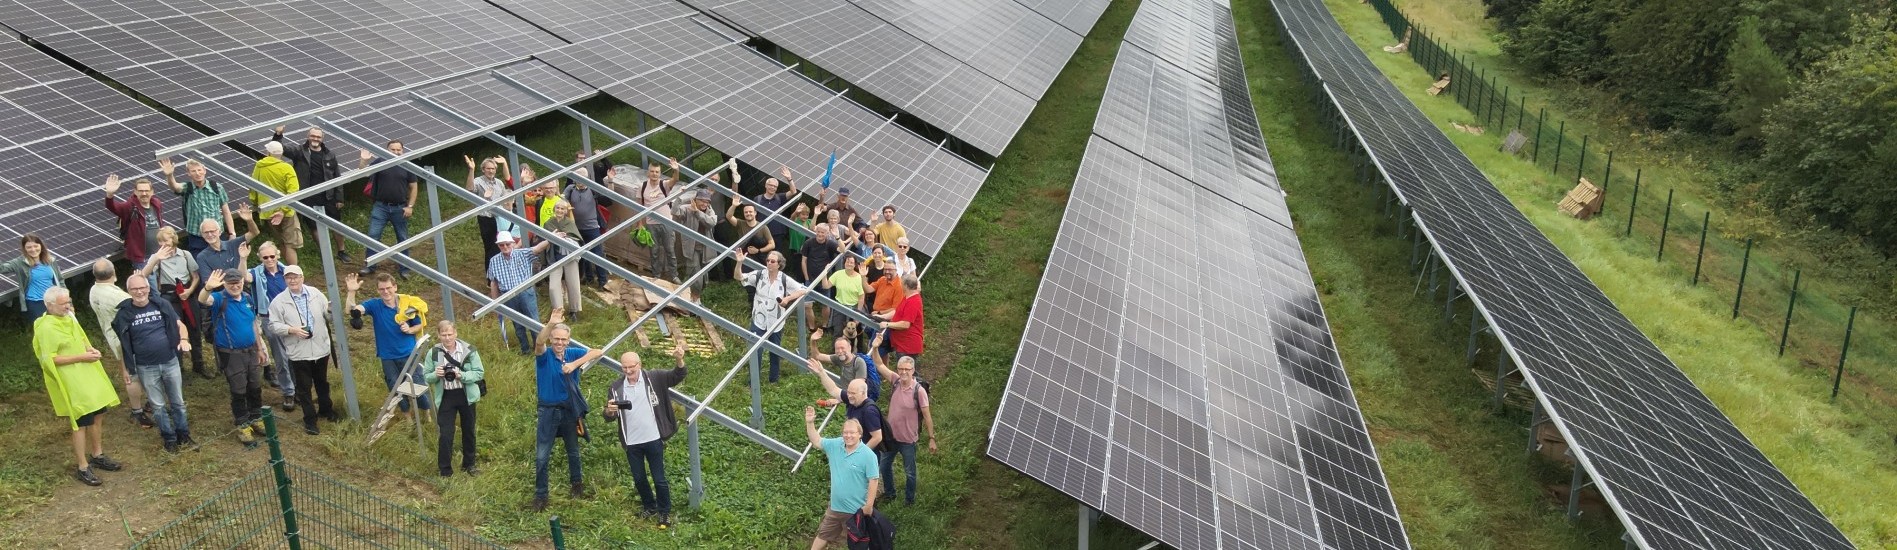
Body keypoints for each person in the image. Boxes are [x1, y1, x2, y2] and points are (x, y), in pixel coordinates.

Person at [34, 287, 123, 486]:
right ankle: (82, 466)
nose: (68, 306)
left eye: (69, 301)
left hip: (88, 375)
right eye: (63, 304)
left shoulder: (70, 318)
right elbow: (50, 359)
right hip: (72, 380)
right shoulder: (46, 328)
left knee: (98, 414)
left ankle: (97, 454)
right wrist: (82, 357)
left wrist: (91, 350)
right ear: (50, 306)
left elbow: (82, 339)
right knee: (81, 422)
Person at [604, 345, 689, 529]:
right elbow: (609, 416)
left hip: (653, 438)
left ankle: (664, 512)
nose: (628, 371)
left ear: (639, 364)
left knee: (659, 478)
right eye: (624, 368)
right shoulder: (616, 387)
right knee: (639, 478)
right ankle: (649, 506)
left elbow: (678, 375)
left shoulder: (655, 377)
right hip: (632, 442)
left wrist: (679, 359)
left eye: (631, 367)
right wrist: (609, 412)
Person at [113, 274, 194, 453]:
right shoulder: (124, 314)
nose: (139, 291)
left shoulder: (162, 304)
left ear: (148, 288)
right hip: (145, 366)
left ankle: (183, 434)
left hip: (170, 361)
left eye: (142, 287)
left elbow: (179, 324)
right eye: (134, 289)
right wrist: (126, 368)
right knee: (157, 405)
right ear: (129, 291)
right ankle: (169, 438)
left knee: (178, 402)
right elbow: (123, 345)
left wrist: (184, 339)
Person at [531, 322, 603, 512]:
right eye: (556, 339)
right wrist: (551, 324)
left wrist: (574, 364)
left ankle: (577, 485)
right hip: (548, 411)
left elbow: (597, 351)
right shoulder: (544, 357)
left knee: (573, 450)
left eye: (563, 339)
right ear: (551, 339)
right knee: (541, 455)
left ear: (568, 340)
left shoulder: (572, 353)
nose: (560, 342)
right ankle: (541, 495)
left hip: (569, 410)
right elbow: (539, 342)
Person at [345, 273, 430, 414]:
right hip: (387, 356)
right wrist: (352, 292)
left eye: (388, 288)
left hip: (409, 353)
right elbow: (351, 311)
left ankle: (427, 415)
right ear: (378, 290)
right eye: (382, 289)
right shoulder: (375, 305)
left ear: (395, 287)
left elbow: (419, 325)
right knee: (395, 388)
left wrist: (409, 330)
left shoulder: (407, 303)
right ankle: (407, 417)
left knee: (417, 384)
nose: (385, 292)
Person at [201, 269, 268, 448]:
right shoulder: (218, 298)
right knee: (238, 389)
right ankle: (242, 424)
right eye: (231, 283)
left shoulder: (247, 298)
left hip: (251, 350)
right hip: (230, 354)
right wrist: (207, 287)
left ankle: (256, 417)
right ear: (225, 284)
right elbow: (202, 300)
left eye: (237, 282)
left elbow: (253, 323)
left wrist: (260, 348)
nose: (235, 286)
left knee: (255, 385)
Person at [267, 265, 336, 434]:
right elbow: (273, 325)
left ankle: (326, 410)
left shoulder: (316, 294)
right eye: (289, 278)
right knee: (304, 388)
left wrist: (331, 310)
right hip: (298, 352)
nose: (293, 280)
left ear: (302, 278)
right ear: (284, 280)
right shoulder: (278, 301)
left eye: (296, 277)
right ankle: (310, 420)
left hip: (320, 348)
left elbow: (328, 316)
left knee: (322, 382)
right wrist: (291, 330)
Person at [867, 333, 935, 505]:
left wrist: (932, 439)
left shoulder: (918, 391)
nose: (903, 372)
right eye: (901, 369)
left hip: (908, 440)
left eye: (907, 369)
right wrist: (875, 347)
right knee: (884, 467)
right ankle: (890, 493)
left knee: (910, 472)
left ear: (913, 371)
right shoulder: (896, 381)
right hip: (891, 437)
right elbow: (879, 363)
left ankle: (909, 500)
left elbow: (927, 415)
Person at [195, 208, 261, 381]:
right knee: (221, 332)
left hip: (241, 293)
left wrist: (248, 219)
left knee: (252, 327)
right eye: (206, 232)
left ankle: (264, 366)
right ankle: (228, 368)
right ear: (202, 235)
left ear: (219, 231)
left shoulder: (232, 244)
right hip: (221, 299)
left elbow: (254, 232)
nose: (210, 234)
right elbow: (209, 282)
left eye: (213, 231)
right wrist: (228, 283)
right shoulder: (202, 257)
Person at [86, 260, 151, 429]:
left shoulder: (93, 291)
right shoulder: (118, 297)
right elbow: (140, 305)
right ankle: (138, 411)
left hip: (113, 338)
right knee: (133, 375)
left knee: (129, 372)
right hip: (129, 340)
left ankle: (146, 404)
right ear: (113, 272)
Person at [802, 410, 879, 550]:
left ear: (860, 434)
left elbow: (873, 480)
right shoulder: (835, 445)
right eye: (845, 432)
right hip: (835, 508)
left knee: (859, 543)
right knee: (823, 535)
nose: (848, 435)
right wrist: (810, 423)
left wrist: (869, 505)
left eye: (852, 432)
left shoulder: (868, 455)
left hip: (855, 511)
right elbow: (816, 441)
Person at [270, 125, 345, 262]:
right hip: (308, 196)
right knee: (314, 226)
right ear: (308, 136)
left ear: (322, 138)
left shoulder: (329, 154)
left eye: (318, 136)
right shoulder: (299, 151)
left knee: (336, 224)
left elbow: (337, 176)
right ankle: (325, 253)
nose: (315, 138)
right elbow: (278, 148)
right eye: (313, 136)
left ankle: (341, 251)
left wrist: (339, 197)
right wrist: (278, 134)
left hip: (328, 195)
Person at [422, 320, 483, 477]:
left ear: (456, 333)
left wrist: (460, 375)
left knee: (469, 431)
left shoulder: (469, 350)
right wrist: (436, 374)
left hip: (465, 395)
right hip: (446, 396)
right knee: (446, 433)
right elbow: (427, 377)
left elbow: (479, 373)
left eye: (450, 334)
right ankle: (445, 470)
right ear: (438, 335)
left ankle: (469, 465)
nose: (447, 338)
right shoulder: (433, 352)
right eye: (443, 335)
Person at [735, 250, 807, 383]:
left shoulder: (784, 279)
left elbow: (803, 290)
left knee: (775, 351)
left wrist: (788, 298)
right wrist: (739, 263)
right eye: (768, 260)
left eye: (772, 261)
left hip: (776, 322)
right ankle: (753, 380)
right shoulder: (758, 275)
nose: (769, 263)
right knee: (755, 351)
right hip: (759, 320)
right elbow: (739, 277)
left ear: (779, 264)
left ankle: (773, 380)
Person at [148, 229, 209, 379]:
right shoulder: (157, 257)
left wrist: (190, 291)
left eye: (166, 240)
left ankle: (199, 364)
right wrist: (156, 259)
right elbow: (146, 273)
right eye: (160, 241)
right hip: (169, 297)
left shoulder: (185, 255)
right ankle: (179, 367)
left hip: (188, 295)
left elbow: (195, 276)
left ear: (174, 240)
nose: (163, 244)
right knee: (175, 330)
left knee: (194, 328)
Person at [357, 141, 420, 277]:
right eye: (393, 150)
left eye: (399, 150)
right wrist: (363, 160)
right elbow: (364, 173)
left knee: (402, 238)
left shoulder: (407, 164)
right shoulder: (380, 161)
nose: (396, 152)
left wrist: (410, 206)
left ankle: (404, 269)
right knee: (373, 236)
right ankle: (370, 266)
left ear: (403, 150)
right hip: (381, 207)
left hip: (400, 208)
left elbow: (414, 186)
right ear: (387, 149)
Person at [487, 233, 554, 354]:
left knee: (533, 321)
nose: (505, 247)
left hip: (525, 292)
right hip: (508, 295)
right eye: (502, 245)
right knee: (518, 325)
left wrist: (551, 238)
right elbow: (494, 283)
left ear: (512, 243)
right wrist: (495, 302)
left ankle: (538, 348)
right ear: (498, 246)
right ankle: (525, 350)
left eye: (507, 244)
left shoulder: (522, 253)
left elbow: (538, 248)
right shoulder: (494, 261)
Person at [247, 242, 294, 410]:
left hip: (291, 315)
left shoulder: (288, 271)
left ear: (278, 255)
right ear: (260, 258)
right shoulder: (256, 273)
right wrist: (243, 258)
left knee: (296, 354)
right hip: (270, 318)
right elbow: (244, 277)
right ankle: (288, 392)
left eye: (272, 256)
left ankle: (301, 389)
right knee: (280, 356)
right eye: (265, 257)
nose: (269, 260)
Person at [162, 158, 234, 255]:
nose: (197, 173)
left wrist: (232, 233)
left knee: (222, 262)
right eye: (193, 171)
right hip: (197, 237)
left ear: (204, 171)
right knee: (199, 265)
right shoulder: (187, 188)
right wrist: (169, 175)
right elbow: (175, 186)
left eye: (199, 170)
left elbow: (226, 211)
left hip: (216, 234)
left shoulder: (216, 187)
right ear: (188, 173)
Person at [250, 140, 303, 266]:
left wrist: (256, 203)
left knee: (281, 243)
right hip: (287, 211)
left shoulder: (259, 166)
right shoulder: (286, 168)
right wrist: (283, 210)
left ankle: (286, 271)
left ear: (268, 152)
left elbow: (253, 187)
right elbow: (293, 191)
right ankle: (293, 272)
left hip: (268, 211)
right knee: (290, 244)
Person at [563, 158, 612, 289]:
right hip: (576, 228)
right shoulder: (570, 189)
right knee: (582, 255)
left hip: (592, 228)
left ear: (587, 178)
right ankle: (588, 278)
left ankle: (602, 281)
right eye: (577, 178)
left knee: (597, 254)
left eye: (582, 178)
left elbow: (607, 198)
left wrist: (611, 181)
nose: (579, 181)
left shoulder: (592, 189)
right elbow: (561, 200)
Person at [101, 174, 163, 269]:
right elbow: (113, 207)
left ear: (152, 192)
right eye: (141, 191)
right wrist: (110, 195)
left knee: (162, 283)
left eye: (146, 191)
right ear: (135, 192)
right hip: (142, 259)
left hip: (159, 254)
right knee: (148, 284)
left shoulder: (156, 204)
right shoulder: (130, 207)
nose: (144, 193)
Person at [637, 158, 682, 282]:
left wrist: (676, 170)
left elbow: (675, 180)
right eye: (652, 171)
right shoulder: (643, 186)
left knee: (670, 250)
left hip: (666, 222)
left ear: (660, 173)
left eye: (657, 172)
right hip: (651, 224)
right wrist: (640, 223)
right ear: (648, 172)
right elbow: (640, 207)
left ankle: (674, 275)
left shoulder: (664, 184)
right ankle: (656, 275)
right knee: (654, 251)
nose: (654, 174)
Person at [465, 155, 513, 265]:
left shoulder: (499, 183)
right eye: (488, 168)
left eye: (493, 169)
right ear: (483, 169)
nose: (491, 171)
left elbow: (505, 201)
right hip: (486, 219)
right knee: (490, 248)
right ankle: (490, 277)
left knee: (502, 245)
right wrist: (471, 169)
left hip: (500, 219)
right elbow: (469, 189)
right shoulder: (478, 181)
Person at [4, 234, 62, 324]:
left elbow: (60, 280)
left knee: (59, 326)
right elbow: (2, 268)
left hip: (53, 300)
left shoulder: (50, 260)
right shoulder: (19, 263)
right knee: (44, 329)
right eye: (29, 247)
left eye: (36, 246)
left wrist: (67, 300)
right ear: (24, 249)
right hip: (35, 303)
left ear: (41, 246)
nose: (33, 249)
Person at [542, 202, 584, 321]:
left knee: (573, 284)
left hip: (569, 257)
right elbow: (544, 239)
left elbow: (577, 238)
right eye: (558, 208)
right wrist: (554, 237)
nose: (559, 210)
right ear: (554, 209)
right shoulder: (548, 223)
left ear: (566, 211)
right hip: (554, 258)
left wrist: (566, 237)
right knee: (553, 287)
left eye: (562, 209)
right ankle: (558, 311)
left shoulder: (570, 223)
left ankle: (574, 310)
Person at [674, 189, 719, 297]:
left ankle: (693, 293)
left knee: (703, 275)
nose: (704, 204)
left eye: (707, 201)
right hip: (692, 247)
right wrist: (679, 196)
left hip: (705, 248)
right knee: (696, 273)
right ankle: (694, 298)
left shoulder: (710, 211)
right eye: (701, 201)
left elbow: (711, 223)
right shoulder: (686, 209)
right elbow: (674, 211)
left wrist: (697, 212)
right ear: (695, 200)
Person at [880, 274, 925, 363]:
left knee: (909, 373)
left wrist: (888, 324)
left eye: (901, 283)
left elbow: (905, 324)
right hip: (902, 344)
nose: (900, 284)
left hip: (908, 346)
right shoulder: (907, 297)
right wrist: (882, 317)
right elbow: (897, 312)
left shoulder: (913, 301)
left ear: (906, 286)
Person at [821, 254, 869, 338]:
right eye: (847, 261)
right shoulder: (838, 274)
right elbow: (826, 286)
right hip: (839, 306)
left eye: (851, 262)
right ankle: (836, 349)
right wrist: (824, 273)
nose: (849, 264)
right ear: (844, 263)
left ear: (855, 265)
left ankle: (854, 350)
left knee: (854, 333)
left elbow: (861, 298)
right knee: (838, 331)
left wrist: (857, 314)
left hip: (854, 307)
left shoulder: (859, 278)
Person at [754, 166, 796, 261]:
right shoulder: (758, 199)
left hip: (777, 234)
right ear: (766, 185)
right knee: (763, 258)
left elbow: (793, 191)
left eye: (775, 186)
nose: (772, 188)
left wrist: (789, 179)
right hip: (762, 234)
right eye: (771, 185)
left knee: (777, 258)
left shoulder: (779, 197)